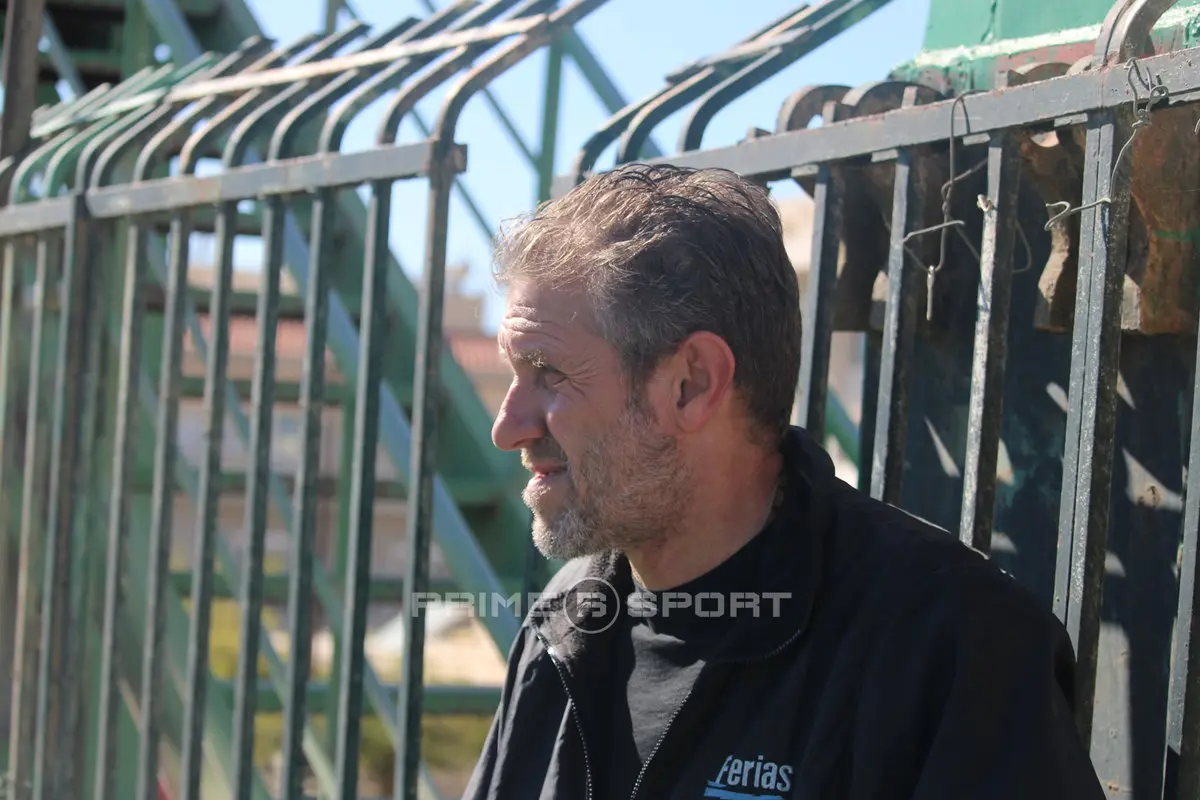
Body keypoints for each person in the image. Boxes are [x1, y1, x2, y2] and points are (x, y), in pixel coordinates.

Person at [462, 163, 1106, 800]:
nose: (507, 428)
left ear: (692, 383)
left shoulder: (952, 650)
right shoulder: (566, 621)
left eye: (549, 373)